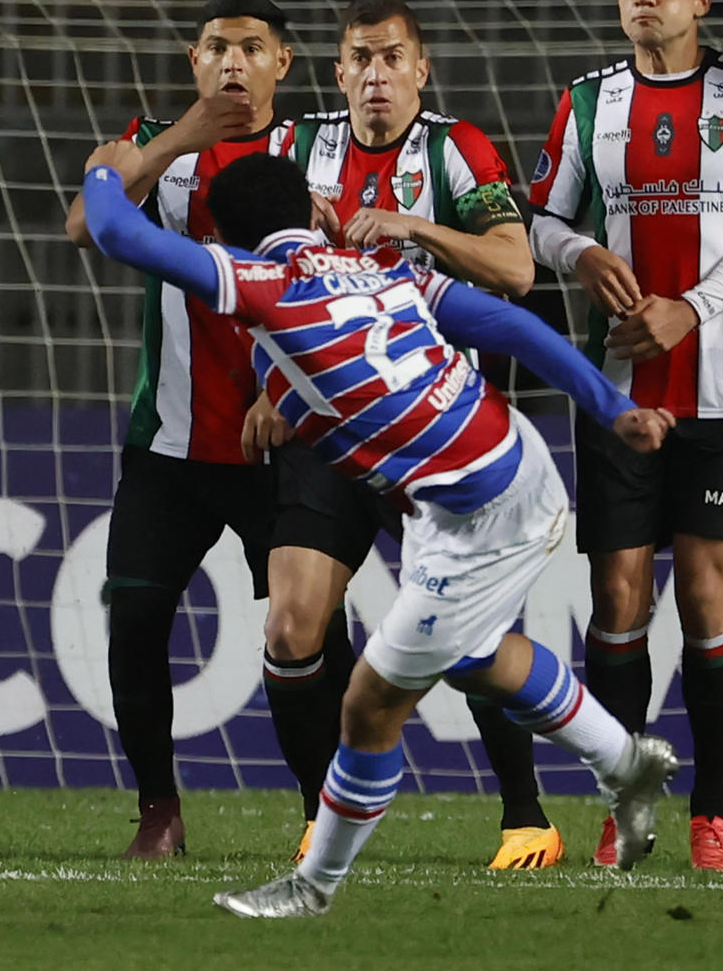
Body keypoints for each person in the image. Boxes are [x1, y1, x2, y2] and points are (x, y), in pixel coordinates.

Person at [81, 146, 679, 919]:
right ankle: (627, 764)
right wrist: (607, 405)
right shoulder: (384, 270)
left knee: (367, 706)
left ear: (226, 241)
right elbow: (502, 321)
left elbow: (117, 233)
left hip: (483, 508)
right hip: (500, 465)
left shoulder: (263, 283)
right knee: (478, 657)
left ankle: (313, 886)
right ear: (313, 211)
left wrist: (106, 168)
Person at [262, 0, 563, 870]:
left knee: (468, 638)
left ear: (421, 71)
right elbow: (253, 274)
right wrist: (268, 379)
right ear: (338, 72)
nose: (377, 75)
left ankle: (527, 816)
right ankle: (327, 809)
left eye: (394, 58)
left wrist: (412, 226)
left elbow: (516, 267)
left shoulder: (455, 150)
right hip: (331, 431)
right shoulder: (295, 151)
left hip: (437, 434)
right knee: (291, 627)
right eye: (361, 58)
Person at [529, 0, 723, 870]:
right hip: (616, 393)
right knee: (616, 594)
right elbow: (541, 222)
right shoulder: (586, 101)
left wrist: (693, 307)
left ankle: (713, 814)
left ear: (704, 0)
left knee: (709, 590)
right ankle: (623, 803)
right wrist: (584, 253)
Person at [63, 0, 293, 858]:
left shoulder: (314, 149)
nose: (232, 61)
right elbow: (84, 222)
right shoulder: (153, 144)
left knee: (308, 634)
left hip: (285, 437)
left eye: (250, 46)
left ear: (282, 63)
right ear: (194, 61)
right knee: (134, 621)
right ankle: (159, 812)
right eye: (215, 47)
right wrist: (179, 137)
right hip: (170, 446)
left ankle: (322, 809)